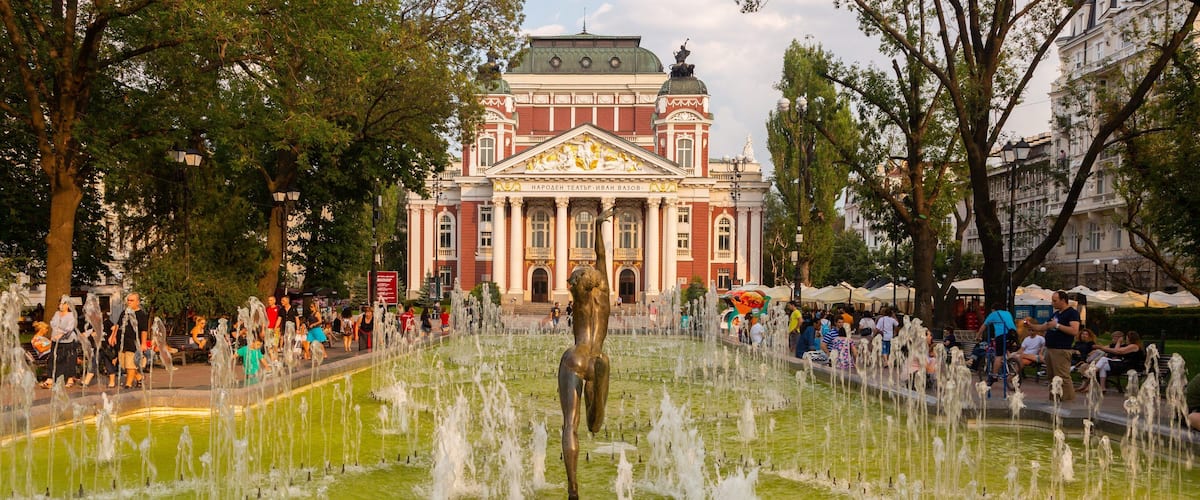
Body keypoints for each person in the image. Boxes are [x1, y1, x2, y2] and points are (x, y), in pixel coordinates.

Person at [1023, 291, 1081, 401]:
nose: (1052, 303)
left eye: (1055, 301)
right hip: (1050, 349)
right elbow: (1044, 327)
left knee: (1062, 377)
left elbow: (1074, 331)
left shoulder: (1072, 313)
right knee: (1052, 377)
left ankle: (1068, 400)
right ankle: (1054, 399)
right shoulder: (1056, 314)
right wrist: (1031, 325)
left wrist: (1057, 325)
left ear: (1063, 300)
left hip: (1061, 350)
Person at [109, 293, 148, 389]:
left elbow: (144, 330)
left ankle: (128, 384)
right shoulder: (124, 312)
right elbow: (118, 325)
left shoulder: (141, 315)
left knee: (130, 364)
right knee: (124, 364)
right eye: (128, 300)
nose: (129, 302)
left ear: (137, 302)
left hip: (134, 343)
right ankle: (139, 377)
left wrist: (143, 343)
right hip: (122, 342)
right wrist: (113, 336)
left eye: (132, 300)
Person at [44, 297, 79, 388]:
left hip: (67, 341)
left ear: (68, 305)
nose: (61, 306)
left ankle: (70, 378)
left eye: (64, 304)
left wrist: (61, 333)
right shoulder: (57, 314)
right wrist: (56, 333)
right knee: (53, 358)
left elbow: (70, 328)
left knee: (68, 360)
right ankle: (50, 379)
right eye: (60, 304)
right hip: (56, 341)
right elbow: (53, 323)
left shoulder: (71, 315)